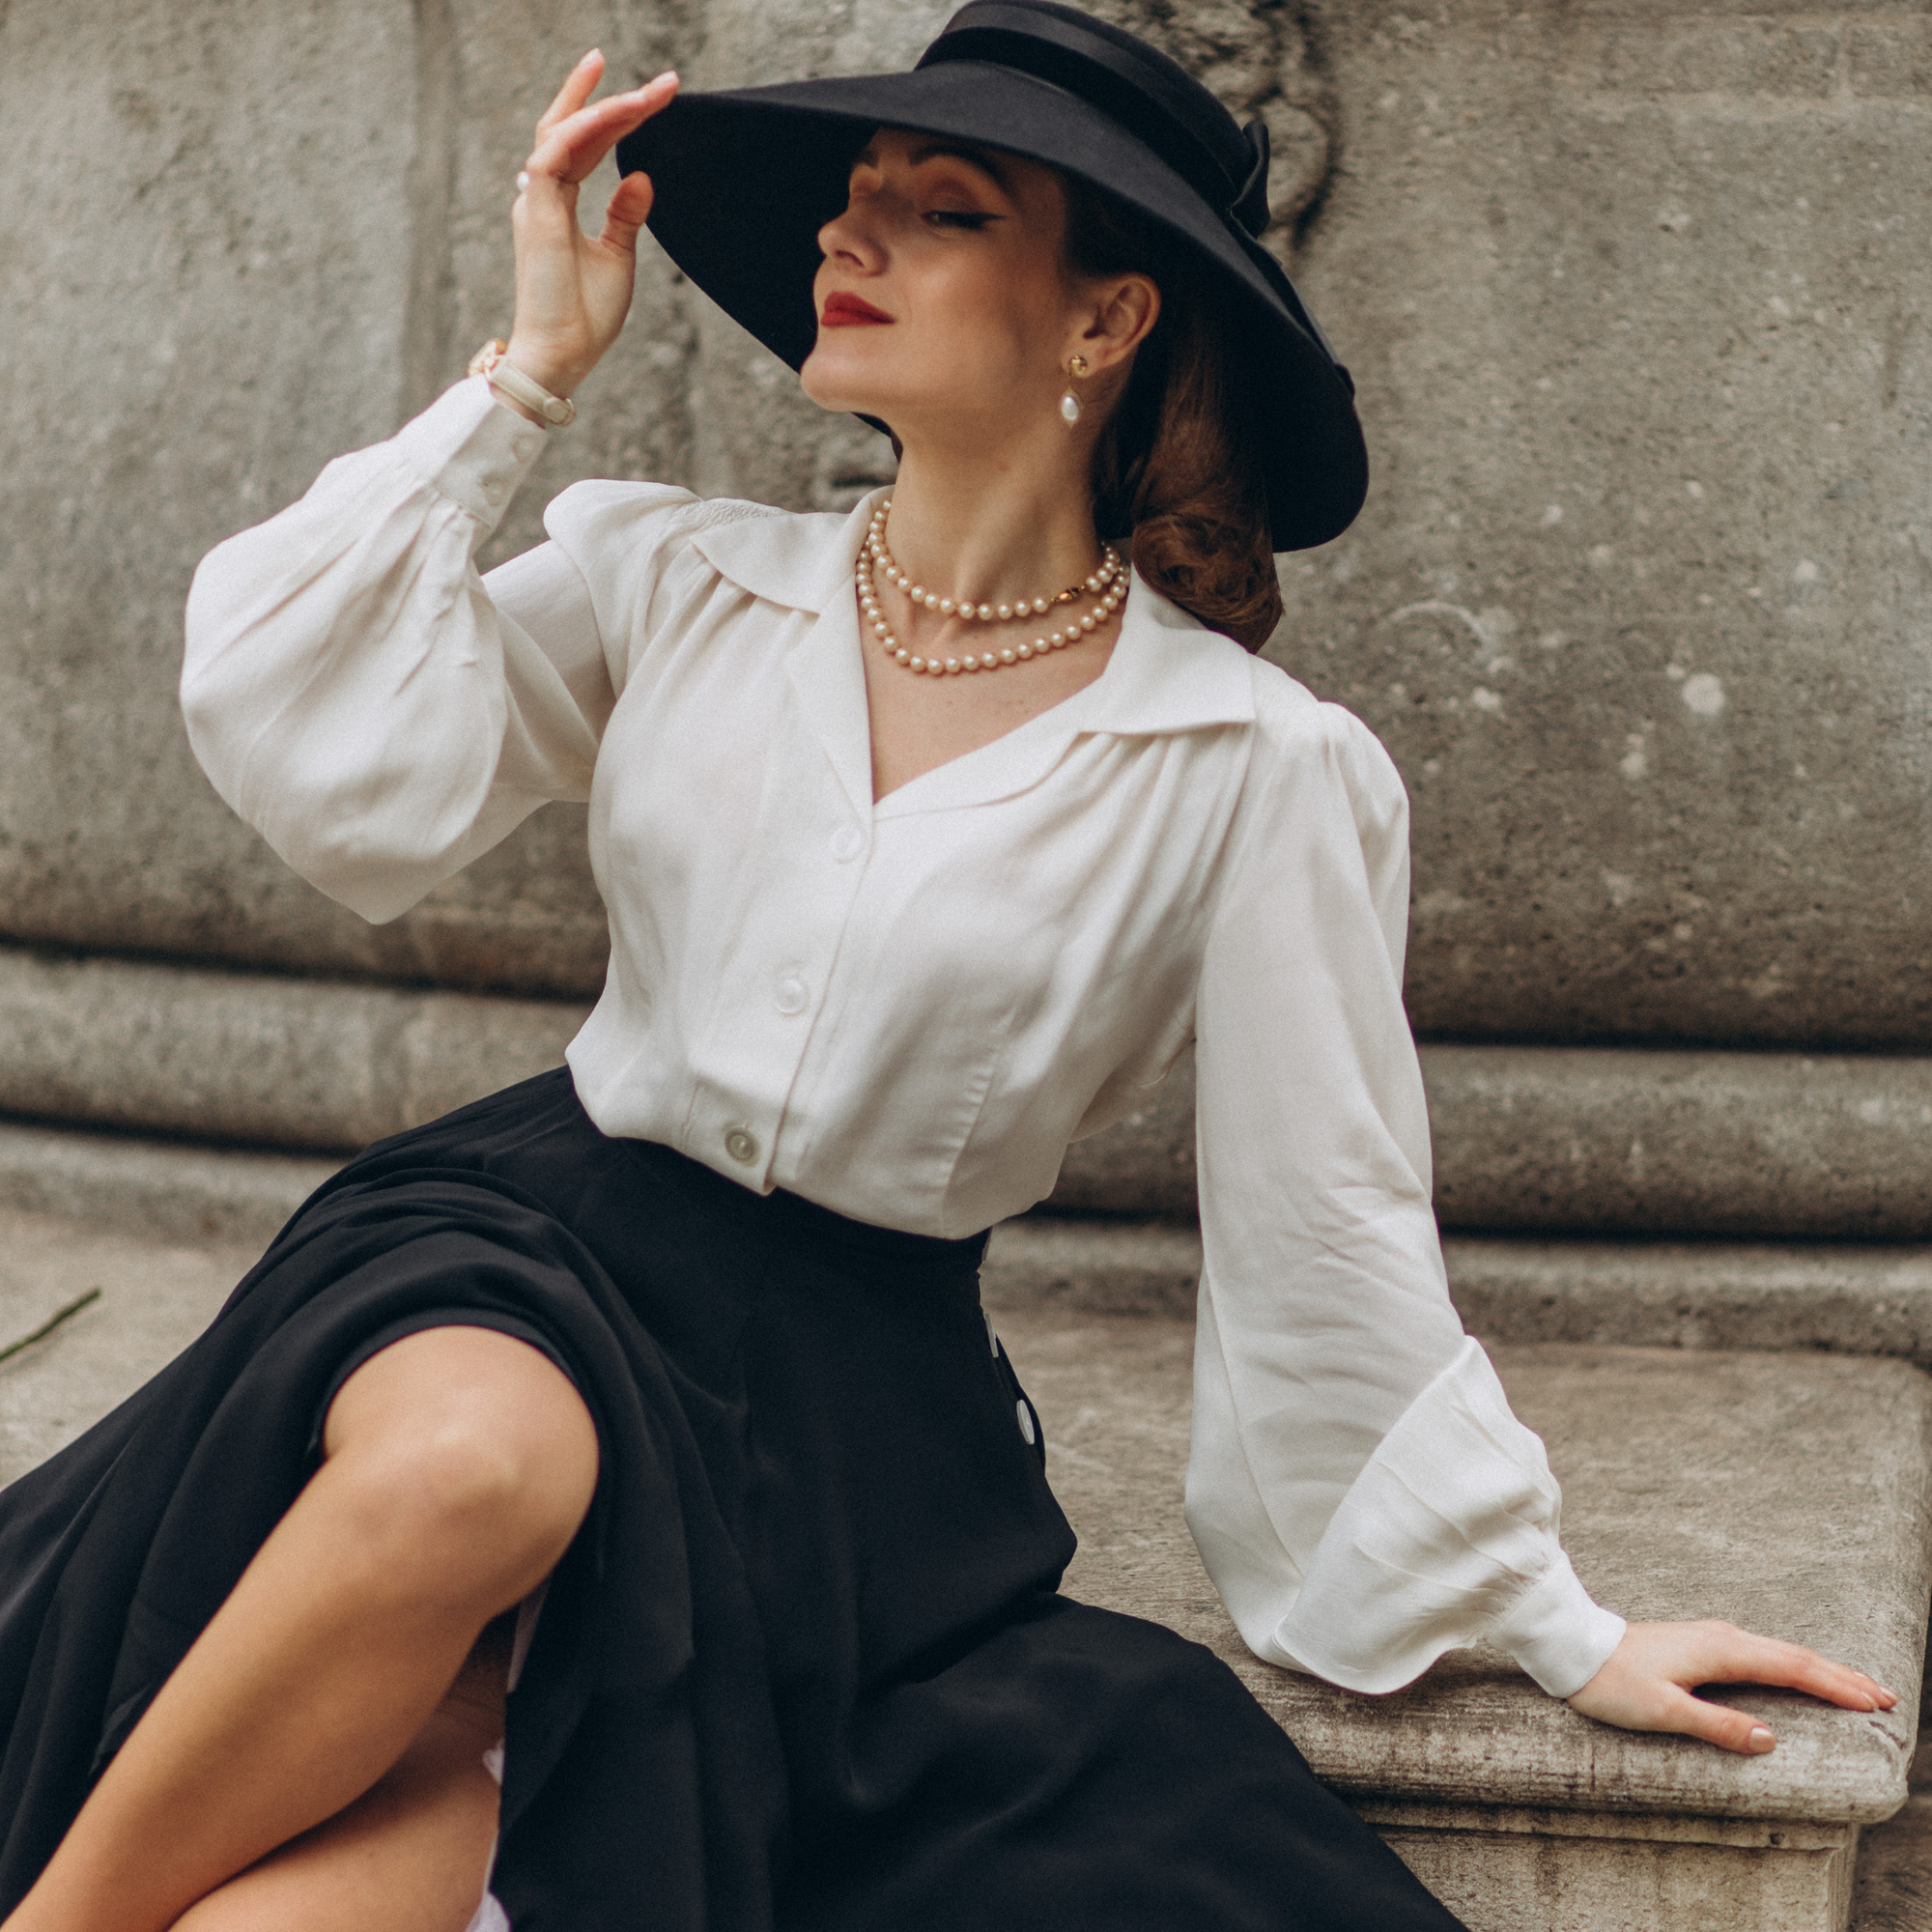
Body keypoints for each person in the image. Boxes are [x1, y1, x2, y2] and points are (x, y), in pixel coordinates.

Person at [0, 6, 1893, 1929]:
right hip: (529, 1244)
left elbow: (1323, 1216)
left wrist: (1546, 1621)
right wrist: (528, 376)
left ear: (1102, 321)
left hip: (832, 1408)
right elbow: (327, 753)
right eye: (858, 194)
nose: (854, 232)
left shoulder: (1253, 768)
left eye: (944, 205)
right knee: (477, 1464)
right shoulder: (682, 576)